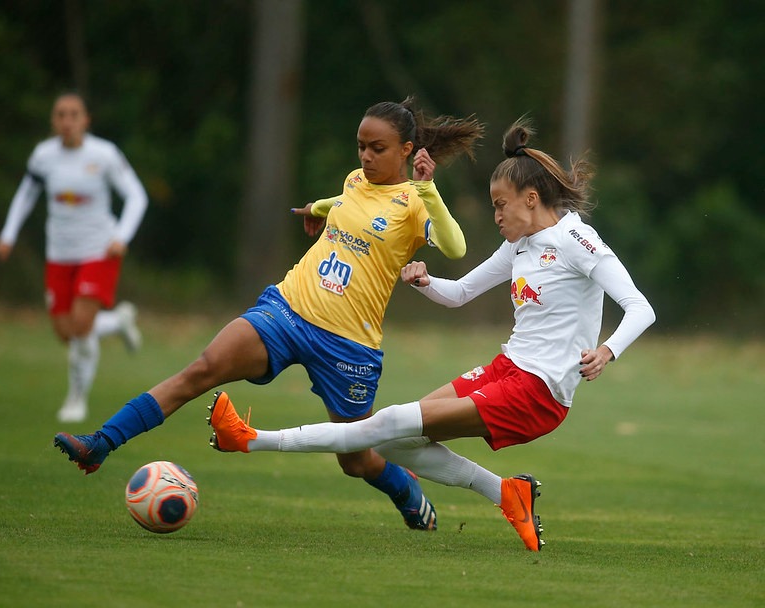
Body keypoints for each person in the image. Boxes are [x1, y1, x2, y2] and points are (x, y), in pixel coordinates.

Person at [205, 117, 656, 551]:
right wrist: (424, 281)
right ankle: (507, 494)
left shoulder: (578, 241)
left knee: (382, 425)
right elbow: (460, 293)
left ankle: (249, 438)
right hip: (507, 369)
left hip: (539, 391)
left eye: (501, 205)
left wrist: (607, 350)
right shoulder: (519, 244)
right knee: (393, 443)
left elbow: (640, 307)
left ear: (532, 198)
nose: (496, 215)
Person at [54, 97, 488, 531]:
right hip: (287, 310)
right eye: (361, 146)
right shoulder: (357, 179)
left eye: (378, 148)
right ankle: (101, 443)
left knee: (355, 459)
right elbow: (344, 199)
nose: (366, 157)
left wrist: (428, 188)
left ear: (407, 151)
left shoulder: (414, 203)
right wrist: (316, 209)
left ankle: (402, 487)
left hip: (349, 345)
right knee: (202, 369)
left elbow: (456, 248)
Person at [0, 92, 148, 423]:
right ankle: (118, 322)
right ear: (53, 121)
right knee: (65, 332)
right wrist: (8, 234)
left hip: (99, 250)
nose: (67, 121)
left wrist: (121, 237)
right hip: (59, 254)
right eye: (60, 114)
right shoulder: (43, 156)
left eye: (73, 114)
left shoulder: (104, 154)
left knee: (80, 327)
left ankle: (76, 400)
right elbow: (26, 194)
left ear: (85, 120)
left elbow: (136, 196)